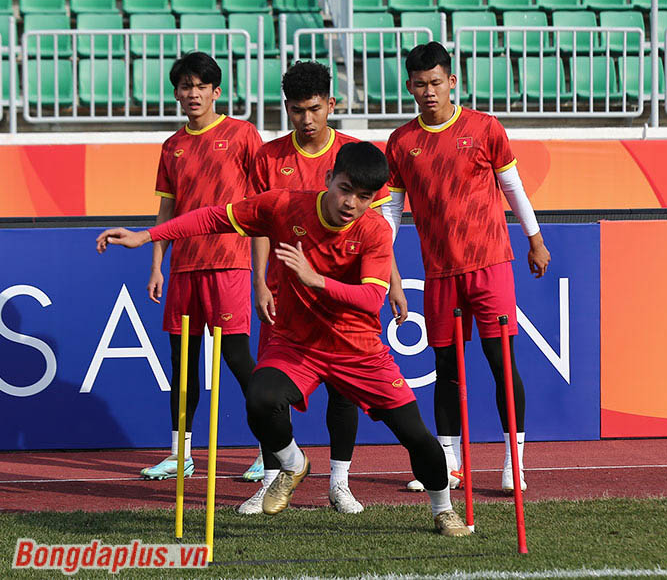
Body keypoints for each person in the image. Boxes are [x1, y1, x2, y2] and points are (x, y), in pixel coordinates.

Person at [96, 142, 470, 537]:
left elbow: (371, 298)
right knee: (260, 397)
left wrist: (315, 279)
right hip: (296, 345)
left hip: (357, 350)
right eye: (345, 189)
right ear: (329, 179)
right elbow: (212, 218)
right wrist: (147, 236)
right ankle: (293, 463)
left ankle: (443, 510)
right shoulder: (284, 205)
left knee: (417, 437)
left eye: (363, 197)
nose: (351, 204)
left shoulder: (375, 230)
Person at [382, 42, 551, 493]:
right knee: (445, 368)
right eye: (420, 84)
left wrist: (535, 240)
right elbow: (392, 212)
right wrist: (382, 264)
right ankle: (449, 465)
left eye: (436, 82)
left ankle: (514, 463)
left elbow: (512, 187)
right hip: (439, 273)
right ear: (410, 87)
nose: (429, 91)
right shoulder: (401, 142)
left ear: (451, 82)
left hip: (490, 264)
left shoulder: (484, 127)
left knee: (501, 362)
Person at [240, 60, 407, 515]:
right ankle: (274, 479)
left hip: (343, 296)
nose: (306, 119)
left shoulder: (357, 152)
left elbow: (380, 226)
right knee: (271, 391)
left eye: (313, 108)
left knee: (344, 390)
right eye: (296, 111)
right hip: (286, 294)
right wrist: (260, 281)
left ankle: (339, 483)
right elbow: (257, 225)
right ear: (287, 109)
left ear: (331, 104)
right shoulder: (267, 157)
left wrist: (392, 282)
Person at [140, 51, 262, 480]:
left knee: (236, 357)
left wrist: (263, 274)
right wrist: (157, 263)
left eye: (200, 86)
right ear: (176, 92)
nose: (192, 94)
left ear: (216, 91)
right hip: (183, 268)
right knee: (182, 362)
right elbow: (166, 211)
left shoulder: (243, 134)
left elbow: (262, 205)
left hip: (229, 262)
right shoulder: (172, 146)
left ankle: (272, 446)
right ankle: (180, 454)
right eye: (185, 86)